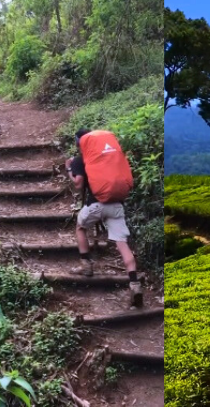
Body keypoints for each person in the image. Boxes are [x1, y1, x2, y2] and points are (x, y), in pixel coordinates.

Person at [64, 128, 142, 307]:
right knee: (122, 243)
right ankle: (134, 283)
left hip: (96, 205)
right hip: (116, 205)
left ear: (79, 143)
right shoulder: (110, 158)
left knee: (80, 227)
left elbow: (78, 184)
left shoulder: (79, 160)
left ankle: (86, 265)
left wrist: (69, 168)